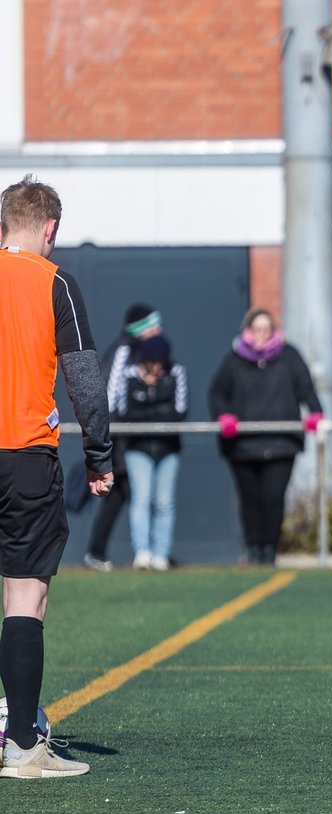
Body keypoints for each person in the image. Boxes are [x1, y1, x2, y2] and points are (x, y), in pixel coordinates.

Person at [0, 175, 113, 777]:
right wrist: (100, 455)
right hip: (23, 456)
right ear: (50, 228)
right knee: (25, 595)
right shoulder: (55, 282)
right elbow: (85, 382)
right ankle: (21, 743)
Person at [209, 308, 323, 566]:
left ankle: (269, 550)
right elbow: (217, 392)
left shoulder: (289, 356)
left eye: (266, 329)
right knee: (249, 500)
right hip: (243, 445)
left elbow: (305, 387)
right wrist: (224, 415)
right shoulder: (234, 360)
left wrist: (316, 412)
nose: (261, 335)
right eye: (256, 329)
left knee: (273, 498)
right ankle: (254, 549)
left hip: (281, 443)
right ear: (247, 331)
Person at [84, 303, 162, 571]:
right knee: (120, 490)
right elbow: (109, 393)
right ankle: (103, 551)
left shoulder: (144, 352)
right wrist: (108, 433)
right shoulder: (124, 350)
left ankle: (148, 551)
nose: (158, 329)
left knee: (124, 492)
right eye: (153, 325)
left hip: (126, 436)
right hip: (117, 436)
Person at [109, 334, 187, 570]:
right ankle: (142, 551)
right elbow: (123, 413)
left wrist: (147, 408)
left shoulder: (176, 373)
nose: (156, 368)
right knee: (141, 499)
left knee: (164, 502)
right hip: (138, 449)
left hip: (168, 450)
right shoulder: (130, 376)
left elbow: (179, 413)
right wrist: (156, 409)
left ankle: (162, 553)